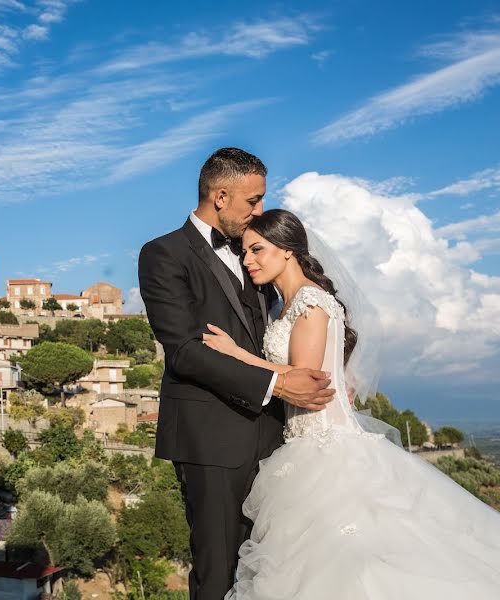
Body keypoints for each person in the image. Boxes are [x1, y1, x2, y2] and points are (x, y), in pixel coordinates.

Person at [201, 208, 500, 599]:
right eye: (245, 252)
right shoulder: (284, 305)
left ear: (286, 250)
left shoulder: (311, 304)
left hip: (326, 452)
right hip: (301, 446)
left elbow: (303, 376)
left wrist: (237, 355)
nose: (247, 259)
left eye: (256, 250)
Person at [137, 148, 336, 598]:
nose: (260, 211)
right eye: (254, 201)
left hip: (281, 440)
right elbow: (185, 351)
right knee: (219, 572)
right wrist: (278, 382)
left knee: (272, 572)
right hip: (212, 441)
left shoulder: (255, 254)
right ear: (221, 196)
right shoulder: (163, 254)